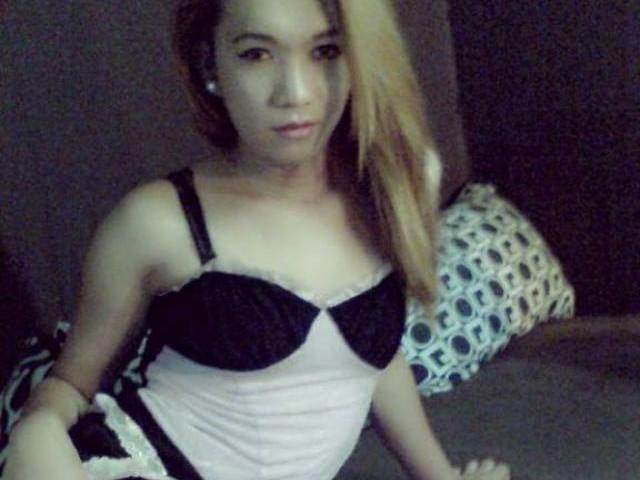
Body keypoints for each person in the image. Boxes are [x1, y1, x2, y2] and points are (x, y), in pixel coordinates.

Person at [3, 0, 511, 479]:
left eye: (325, 50)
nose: (295, 93)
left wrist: (439, 475)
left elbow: (371, 360)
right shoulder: (157, 222)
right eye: (256, 54)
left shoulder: (386, 195)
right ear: (211, 65)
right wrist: (37, 433)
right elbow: (72, 382)